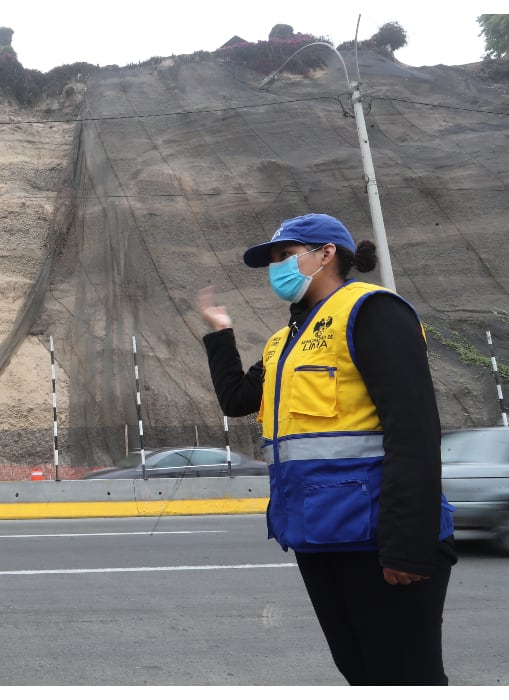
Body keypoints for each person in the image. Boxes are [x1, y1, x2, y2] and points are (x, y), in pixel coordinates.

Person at [196, 213, 457, 685]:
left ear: (326, 254)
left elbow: (414, 430)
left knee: (406, 677)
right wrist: (220, 333)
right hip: (317, 535)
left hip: (378, 539)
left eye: (286, 255)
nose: (277, 267)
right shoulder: (284, 342)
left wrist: (408, 544)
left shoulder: (372, 311)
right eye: (273, 259)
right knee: (359, 670)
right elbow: (236, 399)